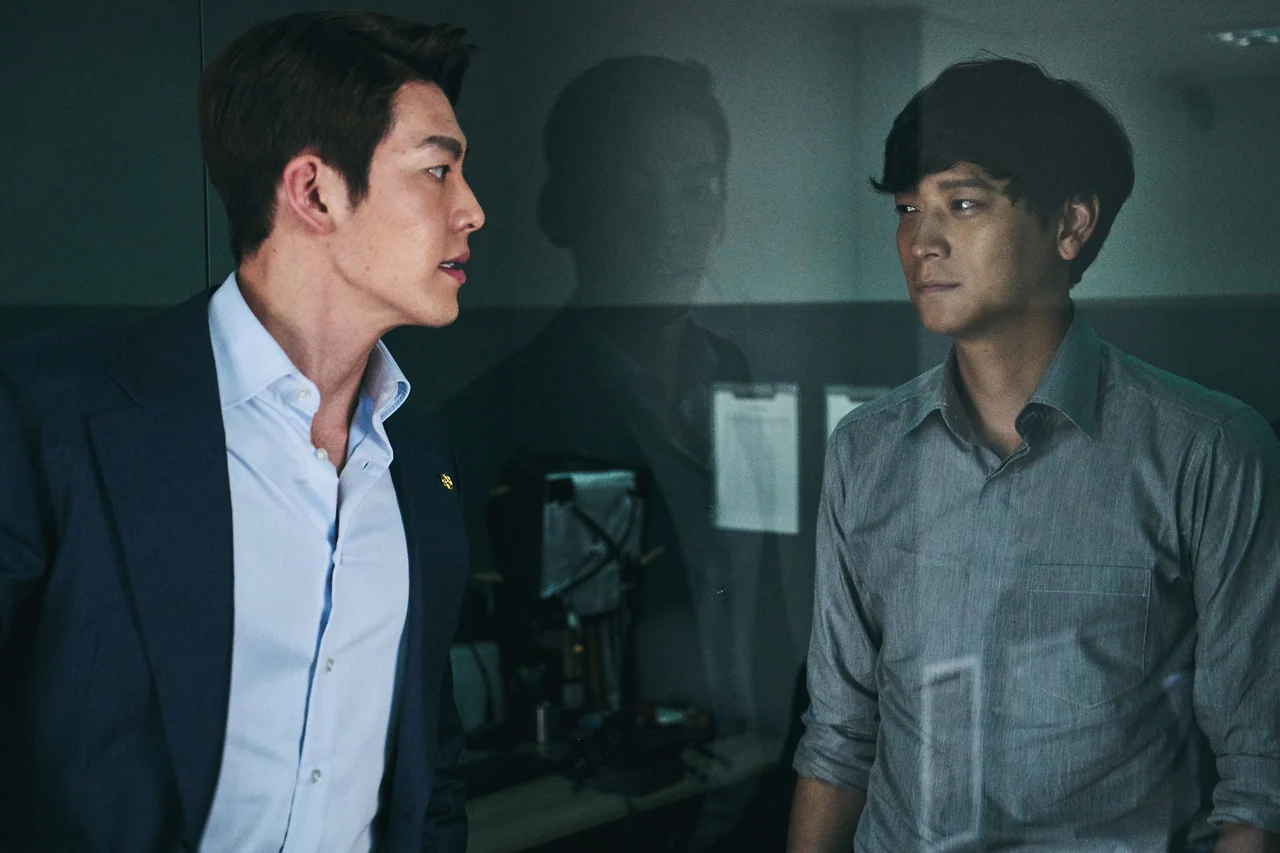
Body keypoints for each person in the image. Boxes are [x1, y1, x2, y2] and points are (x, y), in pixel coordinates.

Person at [0, 11, 484, 853]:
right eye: (437, 170)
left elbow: (428, 768)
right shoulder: (52, 416)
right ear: (313, 192)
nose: (471, 210)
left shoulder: (420, 460)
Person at [789, 58, 1280, 852]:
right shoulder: (865, 451)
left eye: (963, 203)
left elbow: (1259, 775)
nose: (921, 241)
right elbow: (839, 737)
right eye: (908, 208)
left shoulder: (1210, 451)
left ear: (1071, 224)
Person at [438, 56, 796, 850]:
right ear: (561, 212)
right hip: (613, 819)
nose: (667, 224)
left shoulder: (735, 376)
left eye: (695, 189)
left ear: (723, 212)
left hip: (758, 797)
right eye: (629, 190)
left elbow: (762, 600)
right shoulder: (494, 418)